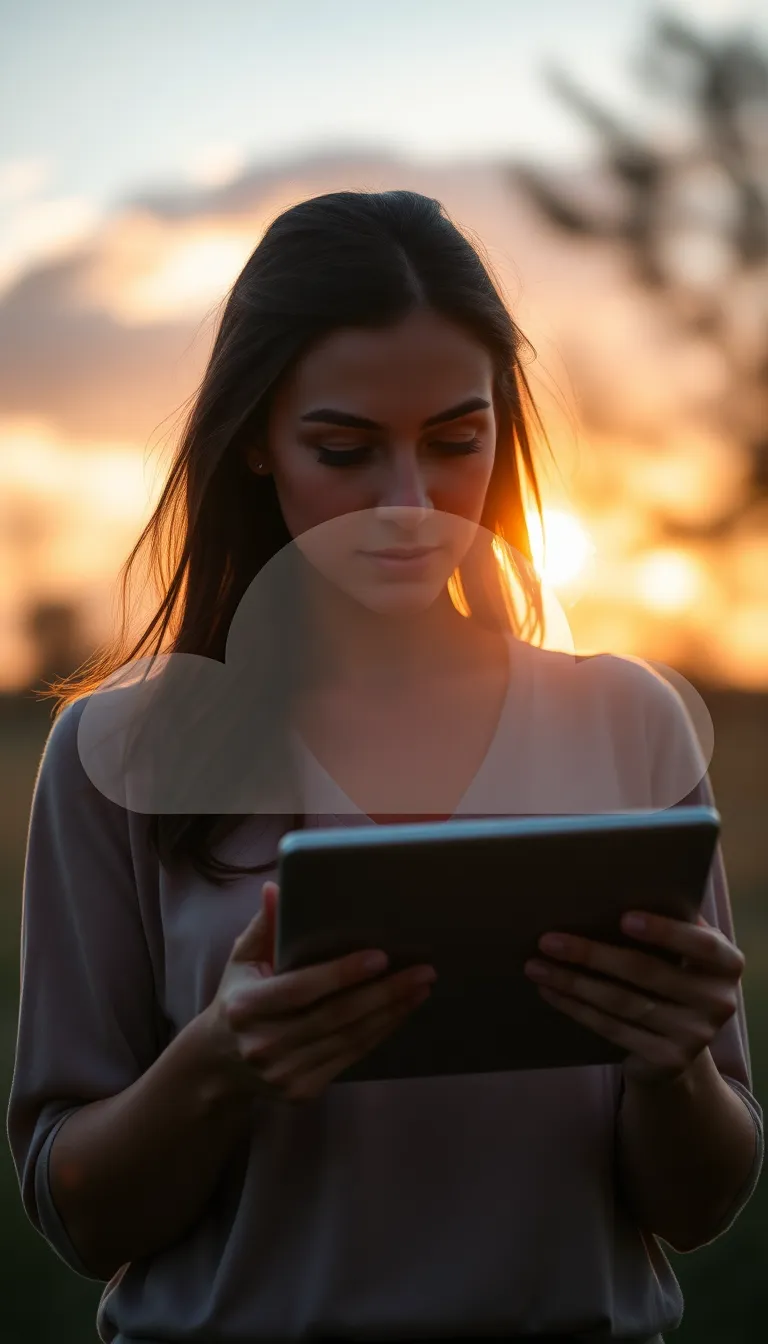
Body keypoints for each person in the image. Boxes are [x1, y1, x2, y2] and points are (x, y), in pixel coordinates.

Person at [6, 189, 763, 1344]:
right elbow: (79, 1217)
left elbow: (699, 1207)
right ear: (257, 438)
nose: (409, 506)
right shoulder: (118, 756)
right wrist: (215, 1063)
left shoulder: (631, 723)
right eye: (345, 450)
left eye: (457, 440)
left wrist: (673, 1072)